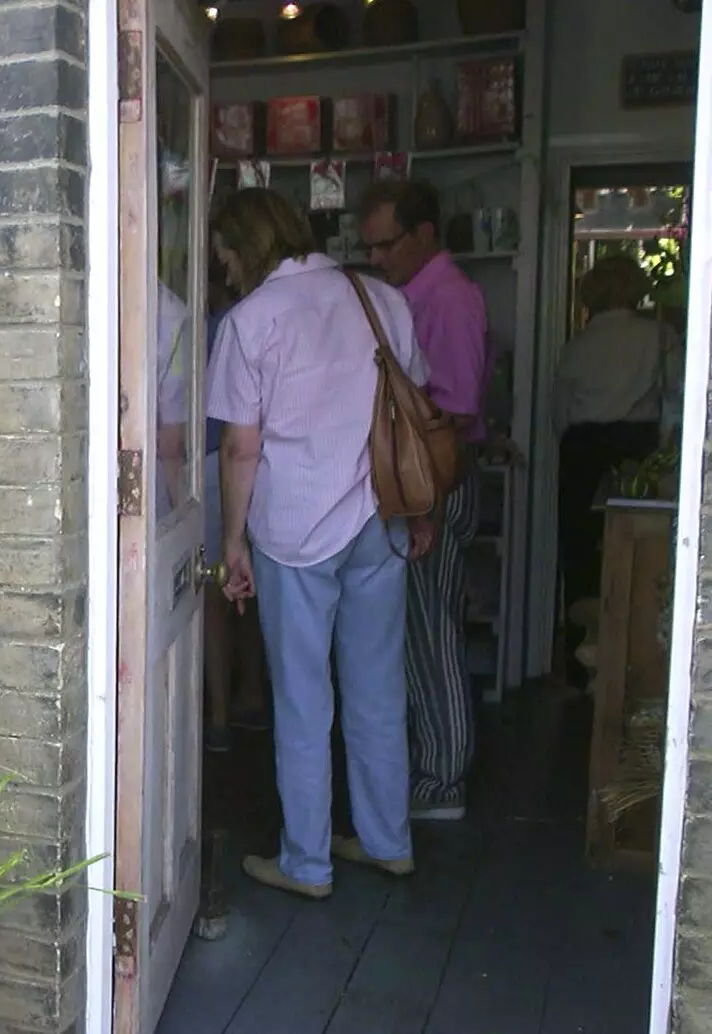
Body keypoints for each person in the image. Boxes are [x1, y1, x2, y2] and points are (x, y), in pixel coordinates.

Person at [207, 187, 427, 899]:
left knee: (303, 698)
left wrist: (231, 539)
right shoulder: (380, 299)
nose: (227, 272)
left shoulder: (250, 320)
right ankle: (387, 839)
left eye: (227, 258)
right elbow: (416, 408)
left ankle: (308, 861)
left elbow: (240, 448)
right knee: (376, 686)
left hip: (295, 527)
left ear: (244, 248)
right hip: (378, 518)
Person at [360, 180, 488, 822]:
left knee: (433, 635)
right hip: (422, 487)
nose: (377, 258)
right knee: (419, 634)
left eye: (386, 244)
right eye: (371, 247)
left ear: (424, 234)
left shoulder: (450, 298)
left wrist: (428, 504)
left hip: (437, 485)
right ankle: (431, 768)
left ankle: (442, 779)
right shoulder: (416, 297)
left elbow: (457, 413)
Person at [554, 255, 685, 647]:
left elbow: (558, 415)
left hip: (582, 449)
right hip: (636, 445)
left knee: (580, 549)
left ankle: (583, 654)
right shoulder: (658, 337)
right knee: (638, 549)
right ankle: (636, 649)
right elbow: (678, 394)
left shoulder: (576, 346)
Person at [201, 263, 269, 753]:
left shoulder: (222, 325)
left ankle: (219, 715)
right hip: (263, 467)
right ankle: (251, 696)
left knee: (217, 592)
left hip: (214, 463)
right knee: (252, 592)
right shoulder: (246, 320)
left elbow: (231, 439)